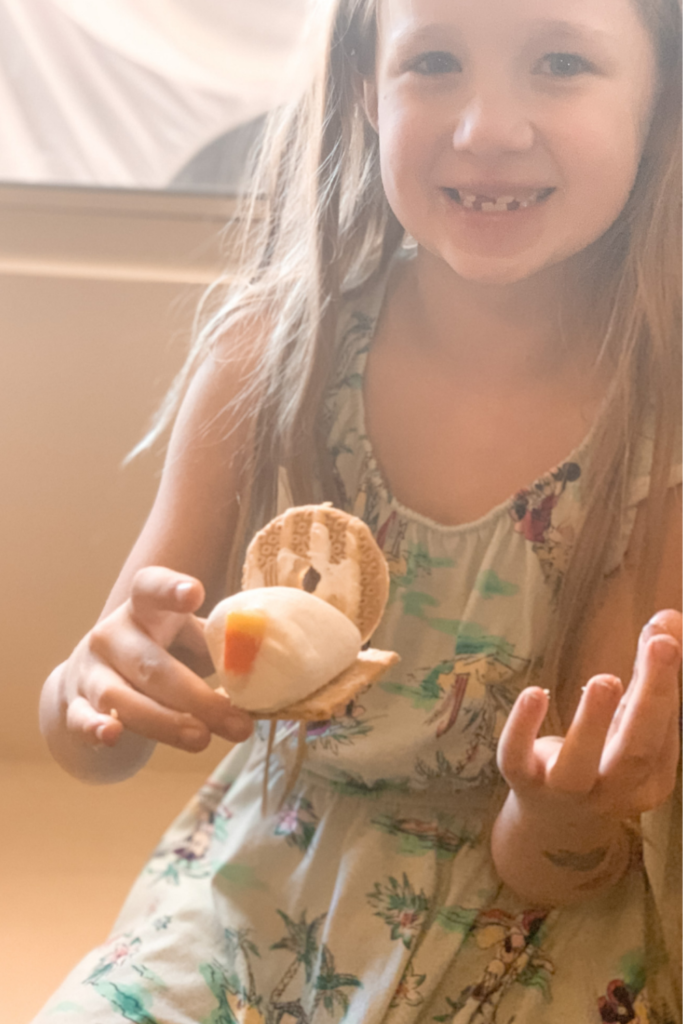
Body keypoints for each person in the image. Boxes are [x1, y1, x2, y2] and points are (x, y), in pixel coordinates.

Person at [34, 0, 682, 1021]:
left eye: (558, 62)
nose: (486, 128)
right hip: (255, 879)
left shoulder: (657, 431)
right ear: (363, 93)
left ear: (659, 104)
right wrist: (90, 691)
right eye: (432, 61)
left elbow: (554, 860)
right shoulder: (269, 355)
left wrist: (566, 808)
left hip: (520, 915)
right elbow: (101, 731)